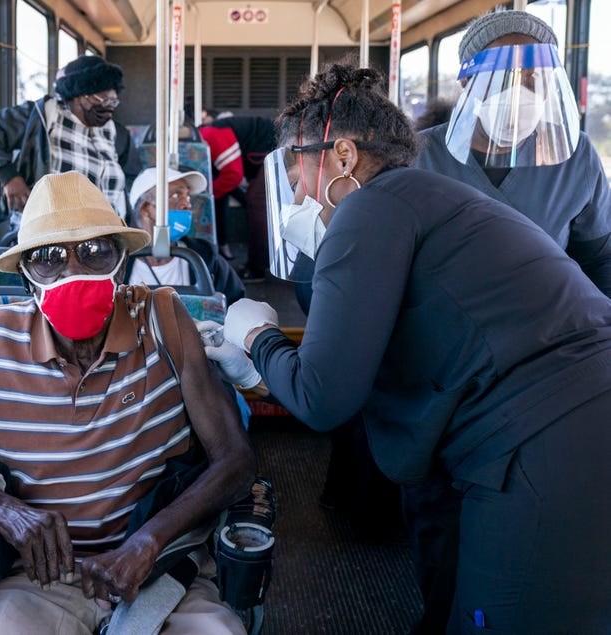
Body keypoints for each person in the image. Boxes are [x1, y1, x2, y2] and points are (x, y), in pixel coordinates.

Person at [211, 62, 611, 634]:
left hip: (546, 438)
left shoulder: (369, 209)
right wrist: (261, 372)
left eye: (297, 166)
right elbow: (365, 357)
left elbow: (323, 397)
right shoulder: (421, 196)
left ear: (343, 157)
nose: (297, 188)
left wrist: (256, 335)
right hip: (569, 421)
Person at [0, 172, 255, 634]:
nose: (73, 271)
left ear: (120, 264)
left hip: (162, 566)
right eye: (49, 259)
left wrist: (147, 543)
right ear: (27, 276)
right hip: (39, 579)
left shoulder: (164, 320)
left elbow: (236, 459)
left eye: (94, 253)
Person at [410, 10, 611, 632]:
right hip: (440, 367)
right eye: (505, 77)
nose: (520, 96)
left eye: (535, 80)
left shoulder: (573, 158)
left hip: (541, 371)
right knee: (438, 513)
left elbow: (599, 257)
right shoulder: (417, 160)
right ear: (468, 81)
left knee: (525, 518)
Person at [0, 55, 142, 218]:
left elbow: (133, 177)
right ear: (79, 96)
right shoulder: (42, 116)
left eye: (113, 101)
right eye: (103, 100)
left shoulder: (116, 133)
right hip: (49, 230)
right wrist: (9, 176)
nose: (110, 107)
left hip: (105, 231)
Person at [128, 166, 245, 307]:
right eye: (176, 195)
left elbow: (238, 303)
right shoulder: (118, 265)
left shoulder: (205, 257)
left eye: (187, 196)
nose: (187, 205)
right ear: (146, 209)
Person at [199, 116, 277, 280]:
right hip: (264, 150)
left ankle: (257, 268)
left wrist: (207, 198)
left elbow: (233, 176)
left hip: (275, 146)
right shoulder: (207, 135)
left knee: (257, 203)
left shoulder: (210, 135)